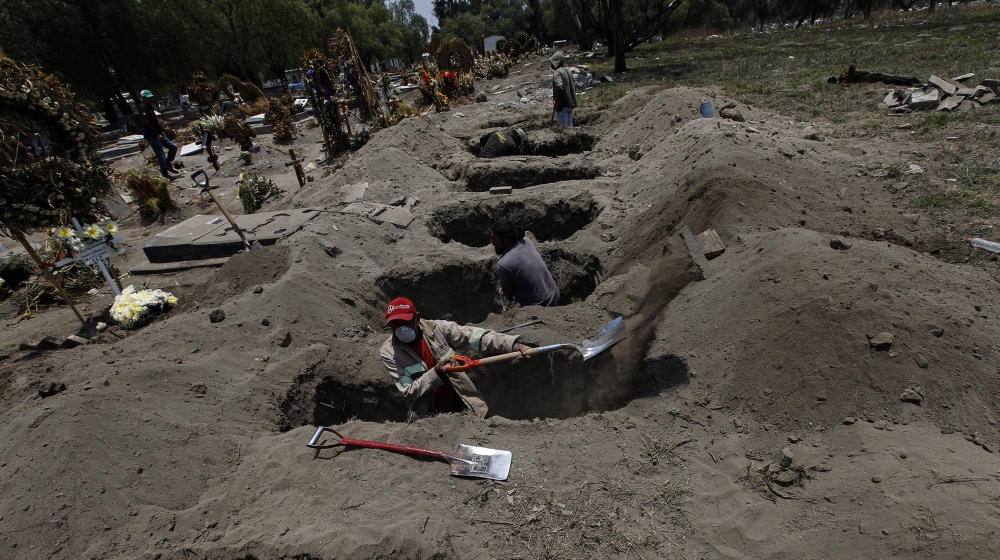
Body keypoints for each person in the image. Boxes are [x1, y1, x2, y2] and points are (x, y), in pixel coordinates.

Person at [380, 297, 531, 418]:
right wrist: (437, 371)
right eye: (395, 324)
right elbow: (409, 391)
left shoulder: (437, 330)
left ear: (417, 317)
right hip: (427, 417)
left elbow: (475, 337)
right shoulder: (389, 352)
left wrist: (511, 345)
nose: (401, 328)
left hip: (461, 400)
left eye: (405, 322)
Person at [491, 219, 560, 308]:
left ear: (506, 240)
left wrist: (505, 289)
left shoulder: (504, 264)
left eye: (494, 238)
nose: (491, 242)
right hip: (555, 296)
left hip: (541, 308)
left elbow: (509, 296)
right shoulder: (526, 240)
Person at [137, 90, 179, 179]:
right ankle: (165, 173)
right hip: (152, 136)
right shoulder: (143, 108)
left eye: (152, 97)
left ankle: (168, 163)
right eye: (149, 98)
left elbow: (154, 122)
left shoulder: (149, 106)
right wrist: (157, 134)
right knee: (160, 154)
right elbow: (146, 124)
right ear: (144, 98)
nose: (152, 99)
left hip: (158, 134)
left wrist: (161, 131)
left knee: (173, 147)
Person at [550, 51, 577, 127]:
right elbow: (574, 86)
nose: (551, 65)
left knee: (564, 131)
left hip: (562, 107)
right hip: (570, 105)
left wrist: (557, 100)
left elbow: (559, 86)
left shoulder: (557, 73)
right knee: (570, 130)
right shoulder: (568, 71)